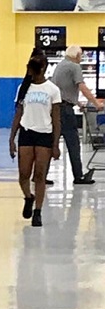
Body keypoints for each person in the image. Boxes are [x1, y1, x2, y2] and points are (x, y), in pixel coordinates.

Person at [9, 52, 61, 227]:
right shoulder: (23, 88)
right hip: (26, 133)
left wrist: (55, 144)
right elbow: (18, 114)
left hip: (44, 135)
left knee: (40, 175)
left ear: (42, 69)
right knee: (23, 174)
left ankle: (38, 211)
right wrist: (11, 139)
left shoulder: (53, 90)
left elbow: (56, 119)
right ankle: (28, 197)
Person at [52, 45, 104, 185]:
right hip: (66, 112)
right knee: (73, 143)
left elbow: (63, 90)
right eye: (81, 55)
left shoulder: (60, 65)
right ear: (76, 55)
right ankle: (78, 176)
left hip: (55, 109)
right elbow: (82, 87)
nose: (81, 58)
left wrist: (77, 103)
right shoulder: (74, 67)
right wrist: (96, 103)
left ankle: (40, 174)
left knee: (51, 142)